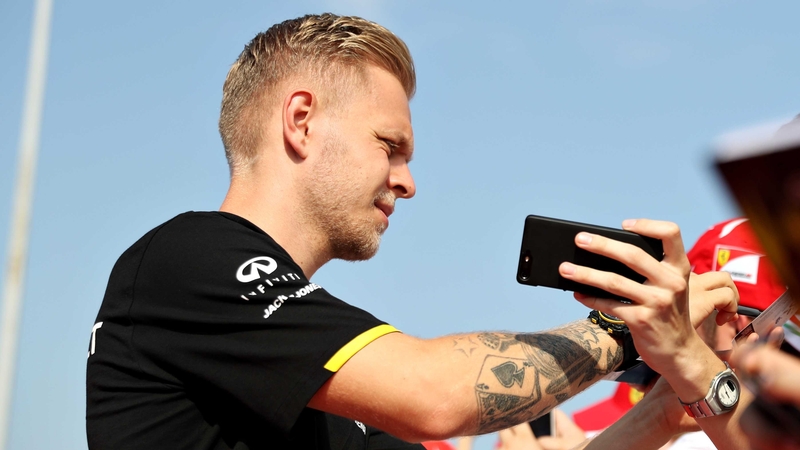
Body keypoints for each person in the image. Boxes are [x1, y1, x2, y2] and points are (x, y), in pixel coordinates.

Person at [85, 13, 740, 449]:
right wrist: (627, 332)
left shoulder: (328, 378)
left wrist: (673, 391)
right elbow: (436, 394)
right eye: (389, 146)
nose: (407, 181)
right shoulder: (186, 259)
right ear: (302, 121)